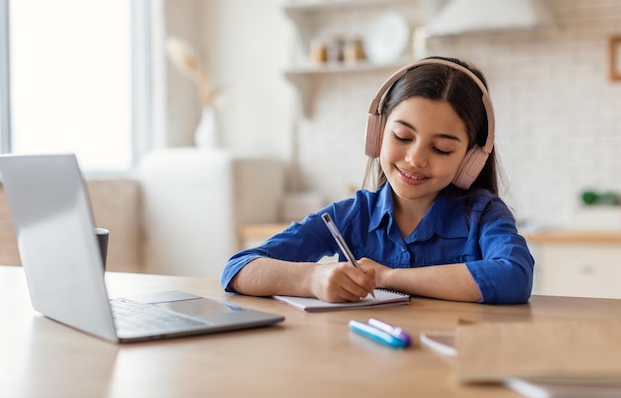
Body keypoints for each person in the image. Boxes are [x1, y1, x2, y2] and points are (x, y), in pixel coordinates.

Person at [220, 56, 534, 304]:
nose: (415, 159)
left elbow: (514, 278)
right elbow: (238, 269)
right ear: (377, 134)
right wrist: (312, 279)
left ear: (470, 159)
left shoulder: (484, 214)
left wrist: (387, 277)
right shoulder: (350, 215)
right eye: (402, 136)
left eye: (441, 148)